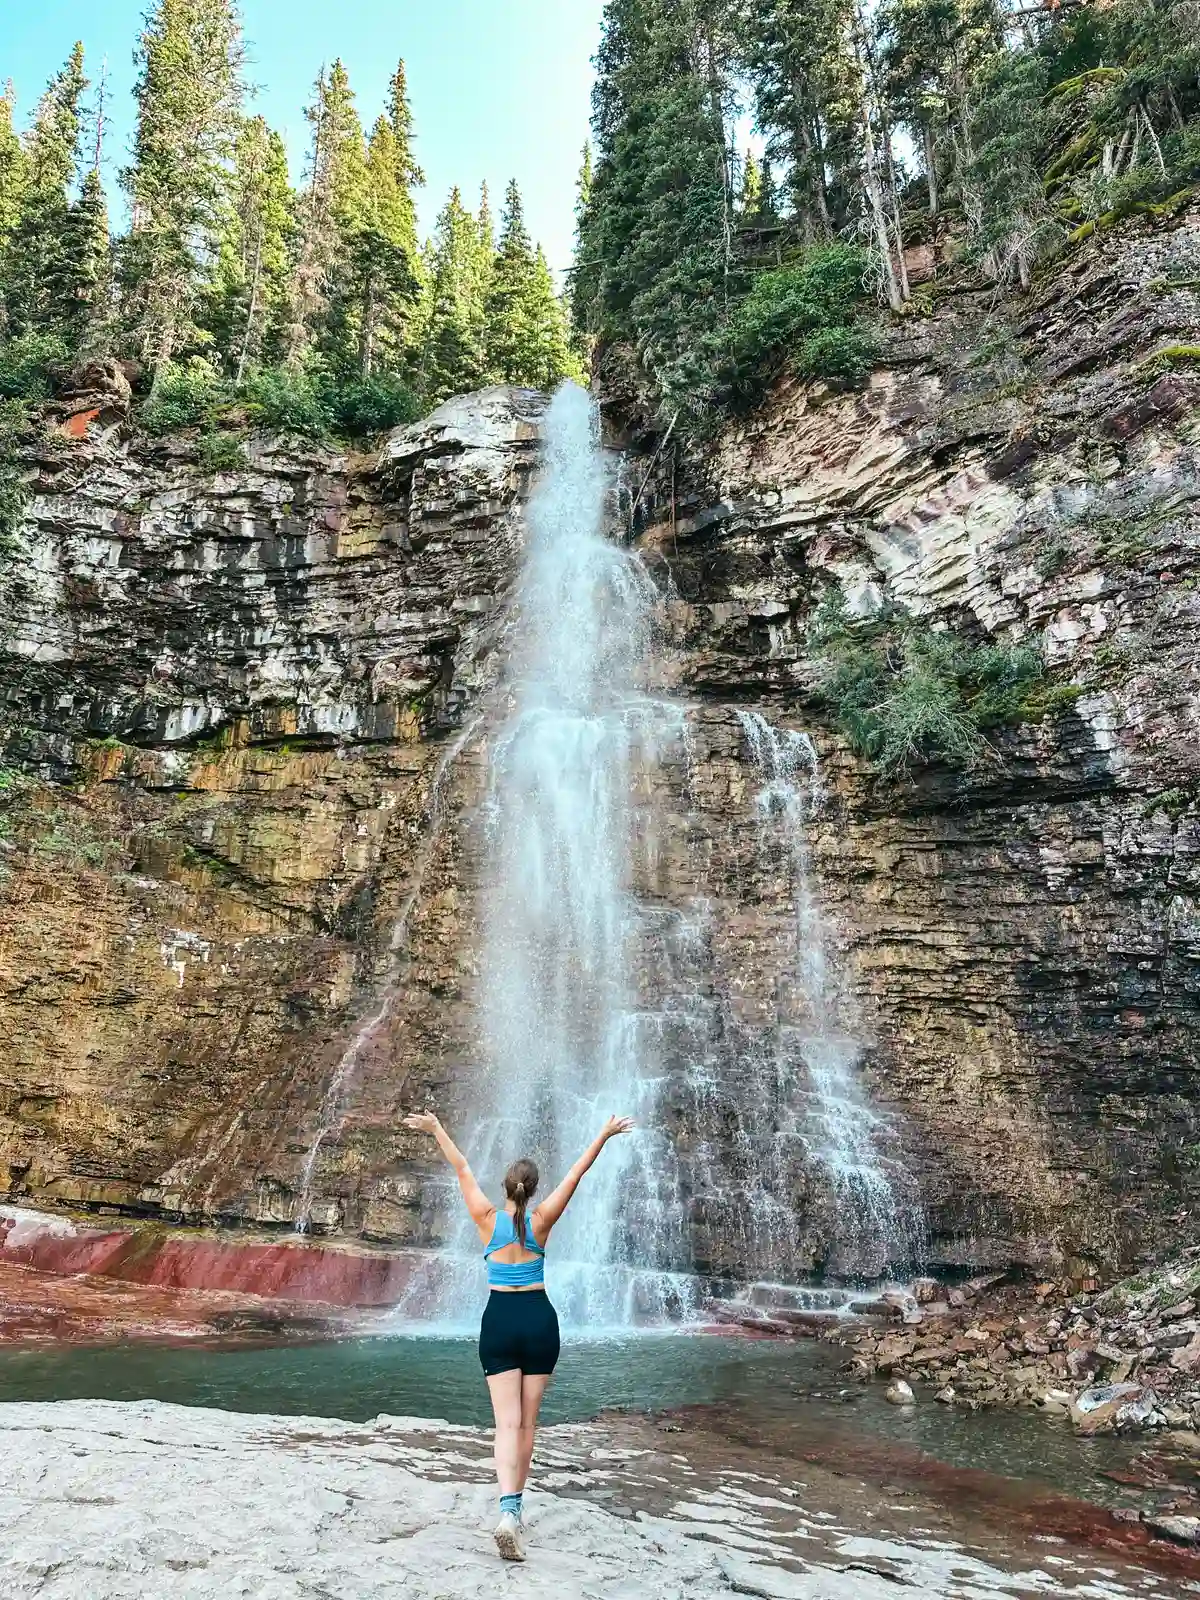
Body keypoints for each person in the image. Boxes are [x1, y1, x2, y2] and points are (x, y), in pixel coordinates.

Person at [402, 1109, 635, 1562]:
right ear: (533, 1188)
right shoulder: (542, 1219)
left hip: (500, 1322)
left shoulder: (487, 1219)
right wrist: (604, 1134)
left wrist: (436, 1129)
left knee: (506, 1424)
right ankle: (515, 1511)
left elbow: (462, 1167)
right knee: (529, 1423)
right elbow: (577, 1172)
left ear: (507, 1188)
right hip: (539, 1321)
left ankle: (506, 1511)